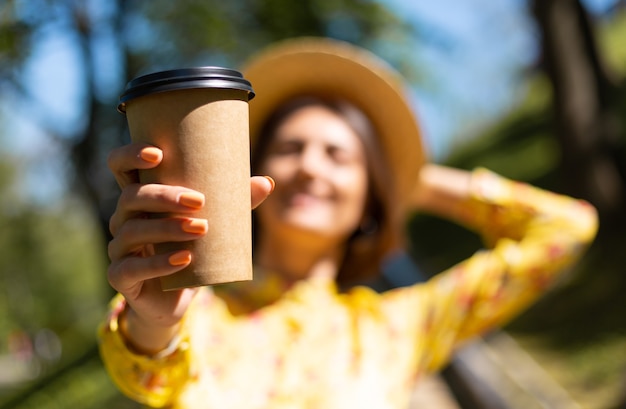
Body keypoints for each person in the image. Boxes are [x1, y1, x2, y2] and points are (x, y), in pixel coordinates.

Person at [99, 37, 598, 409]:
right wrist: (155, 321)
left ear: (369, 199)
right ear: (252, 175)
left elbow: (566, 229)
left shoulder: (400, 326)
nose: (311, 167)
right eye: (290, 149)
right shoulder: (196, 317)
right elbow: (150, 368)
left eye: (338, 156)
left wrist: (409, 178)